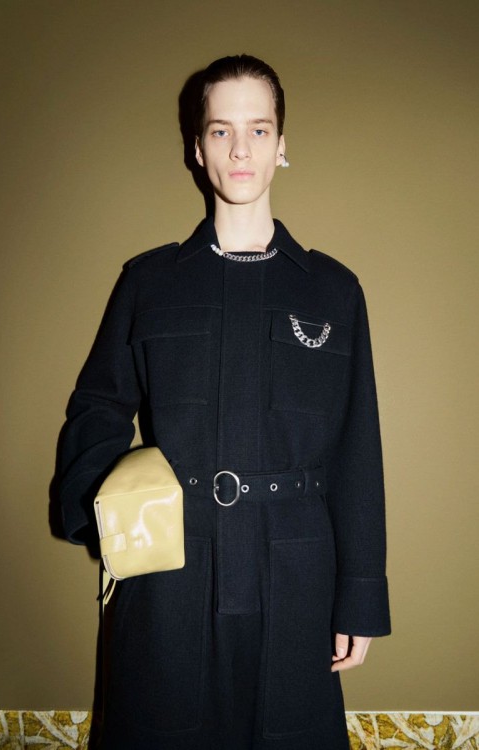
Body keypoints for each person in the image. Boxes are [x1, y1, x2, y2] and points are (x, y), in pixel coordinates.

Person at [55, 54, 391, 750]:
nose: (241, 149)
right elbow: (96, 408)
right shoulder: (148, 282)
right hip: (171, 578)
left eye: (259, 130)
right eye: (221, 131)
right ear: (197, 149)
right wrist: (105, 520)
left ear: (282, 145)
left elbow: (358, 448)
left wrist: (360, 593)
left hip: (296, 578)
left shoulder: (334, 291)